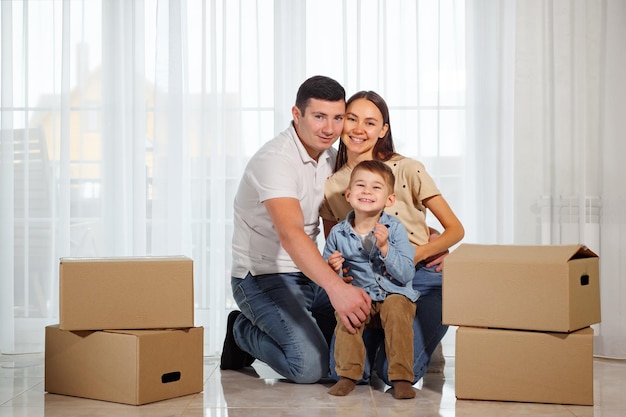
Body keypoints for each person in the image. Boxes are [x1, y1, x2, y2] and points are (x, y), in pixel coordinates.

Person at [220, 76, 372, 384]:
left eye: (337, 118)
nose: (329, 129)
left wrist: (428, 236)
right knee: (309, 367)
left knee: (358, 363)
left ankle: (303, 323)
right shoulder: (275, 160)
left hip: (309, 273)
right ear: (296, 114)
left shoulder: (330, 157)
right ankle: (241, 331)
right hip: (261, 278)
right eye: (318, 117)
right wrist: (337, 290)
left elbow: (363, 209)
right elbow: (291, 234)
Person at [320, 90, 464, 388]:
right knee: (350, 373)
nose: (359, 129)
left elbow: (455, 230)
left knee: (392, 373)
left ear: (383, 130)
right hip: (369, 283)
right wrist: (339, 274)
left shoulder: (408, 169)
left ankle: (424, 330)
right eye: (351, 119)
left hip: (421, 277)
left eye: (370, 123)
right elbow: (335, 241)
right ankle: (386, 337)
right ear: (342, 123)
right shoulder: (333, 185)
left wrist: (420, 253)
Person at [324, 160, 418, 399]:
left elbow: (406, 273)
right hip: (361, 294)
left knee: (398, 310)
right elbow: (329, 278)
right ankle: (347, 375)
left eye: (376, 187)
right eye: (361, 185)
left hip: (393, 293)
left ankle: (401, 378)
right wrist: (333, 268)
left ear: (389, 200)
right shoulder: (338, 233)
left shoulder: (395, 229)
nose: (367, 191)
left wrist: (385, 248)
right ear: (348, 194)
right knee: (347, 317)